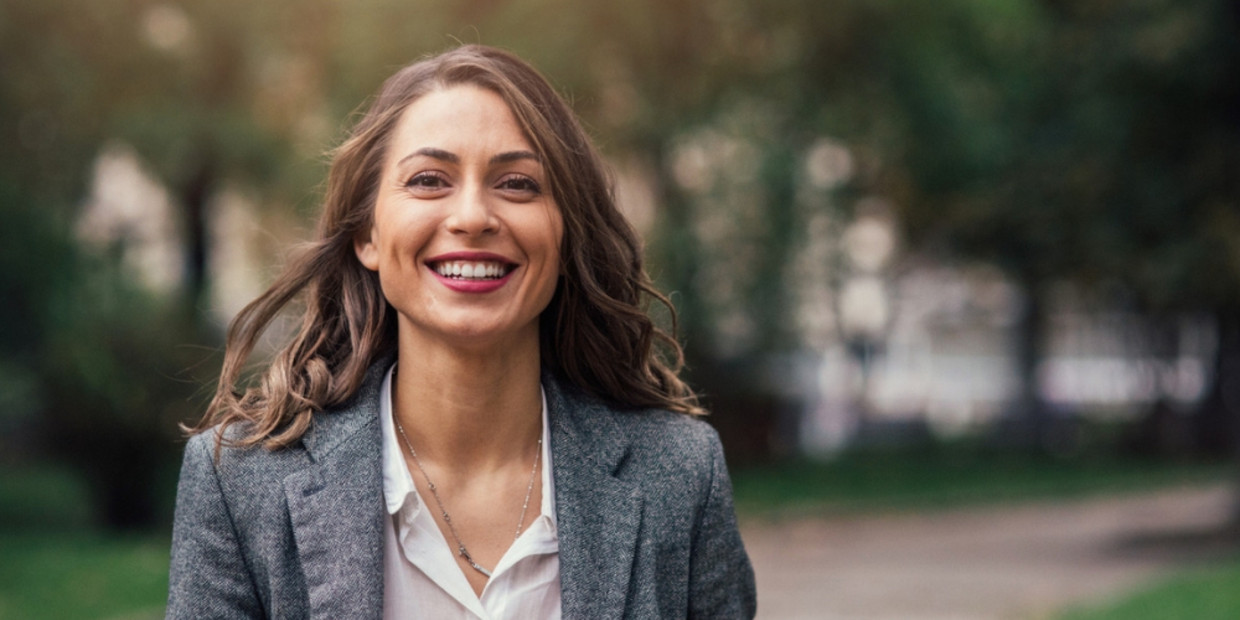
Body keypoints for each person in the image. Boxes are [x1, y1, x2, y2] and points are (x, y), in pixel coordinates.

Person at [166, 44, 756, 619]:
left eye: (518, 183)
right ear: (367, 236)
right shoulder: (238, 483)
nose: (472, 216)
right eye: (428, 180)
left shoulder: (681, 471)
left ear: (564, 233)